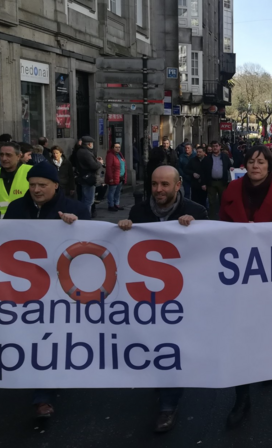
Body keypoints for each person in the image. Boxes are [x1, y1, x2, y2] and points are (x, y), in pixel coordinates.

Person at [117, 166, 207, 433]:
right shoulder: (139, 213)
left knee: (171, 346)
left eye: (165, 185)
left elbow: (207, 254)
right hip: (145, 296)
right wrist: (123, 230)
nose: (158, 190)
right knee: (153, 344)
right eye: (155, 185)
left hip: (180, 299)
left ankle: (168, 405)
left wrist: (195, 231)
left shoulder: (197, 212)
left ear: (178, 185)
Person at [1, 161, 88, 420]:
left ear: (55, 186)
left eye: (41, 185)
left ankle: (48, 387)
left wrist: (77, 227)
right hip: (28, 286)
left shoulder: (75, 209)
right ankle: (42, 393)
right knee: (38, 334)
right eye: (31, 185)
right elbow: (4, 241)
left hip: (63, 287)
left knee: (57, 334)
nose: (35, 190)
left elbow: (90, 248)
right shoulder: (17, 208)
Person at [219, 146, 272, 428]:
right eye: (251, 161)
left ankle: (266, 364)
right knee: (239, 333)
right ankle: (242, 397)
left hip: (269, 273)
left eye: (261, 162)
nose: (255, 166)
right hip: (237, 273)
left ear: (269, 166)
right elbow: (219, 229)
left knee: (265, 328)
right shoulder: (231, 190)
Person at [0, 142, 31, 219]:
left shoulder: (31, 171)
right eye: (1, 155)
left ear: (18, 156)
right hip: (3, 224)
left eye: (8, 155)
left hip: (27, 222)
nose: (4, 158)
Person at [201, 141, 231, 220]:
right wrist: (203, 183)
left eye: (216, 146)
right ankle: (212, 218)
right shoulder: (207, 158)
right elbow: (203, 171)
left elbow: (230, 167)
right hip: (211, 182)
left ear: (220, 147)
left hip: (222, 182)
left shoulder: (225, 157)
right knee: (211, 201)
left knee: (223, 200)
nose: (215, 148)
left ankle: (223, 217)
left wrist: (237, 169)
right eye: (213, 146)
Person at [74, 136, 102, 214]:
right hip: (88, 178)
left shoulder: (80, 151)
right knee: (89, 200)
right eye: (91, 143)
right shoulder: (85, 152)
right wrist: (100, 163)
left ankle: (83, 216)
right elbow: (94, 166)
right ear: (89, 144)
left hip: (84, 177)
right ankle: (85, 217)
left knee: (85, 199)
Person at [105, 142, 127, 212]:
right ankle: (111, 205)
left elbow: (123, 164)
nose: (118, 149)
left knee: (118, 192)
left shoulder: (120, 155)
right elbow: (108, 167)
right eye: (116, 147)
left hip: (120, 176)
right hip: (114, 177)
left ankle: (116, 204)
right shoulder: (110, 155)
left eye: (119, 147)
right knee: (112, 192)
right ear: (112, 148)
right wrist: (110, 178)